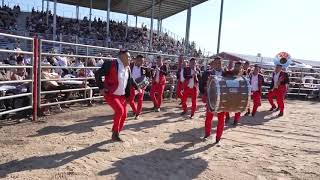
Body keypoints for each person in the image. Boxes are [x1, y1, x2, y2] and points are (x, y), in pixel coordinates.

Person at [95, 49, 140, 142]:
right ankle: (115, 134)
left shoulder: (127, 68)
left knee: (124, 115)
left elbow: (130, 80)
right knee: (119, 111)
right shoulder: (111, 64)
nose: (130, 59)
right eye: (128, 57)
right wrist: (101, 88)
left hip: (122, 95)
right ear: (122, 56)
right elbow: (98, 74)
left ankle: (116, 133)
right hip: (111, 94)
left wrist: (137, 87)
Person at [200, 56, 225, 144]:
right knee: (208, 118)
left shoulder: (226, 74)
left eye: (219, 63)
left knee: (221, 119)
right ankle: (207, 134)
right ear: (213, 64)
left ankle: (218, 138)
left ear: (222, 64)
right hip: (211, 99)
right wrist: (203, 92)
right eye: (216, 63)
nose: (218, 64)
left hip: (223, 100)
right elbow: (202, 83)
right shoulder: (207, 73)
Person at [128, 55, 150, 119]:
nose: (142, 63)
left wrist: (148, 73)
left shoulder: (144, 68)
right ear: (136, 60)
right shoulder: (130, 66)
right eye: (141, 61)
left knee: (140, 100)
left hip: (141, 86)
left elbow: (148, 76)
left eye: (143, 62)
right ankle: (135, 110)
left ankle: (138, 114)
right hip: (132, 85)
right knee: (130, 100)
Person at [224, 61, 243, 126]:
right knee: (226, 105)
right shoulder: (229, 72)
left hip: (239, 93)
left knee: (238, 107)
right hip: (229, 92)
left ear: (241, 67)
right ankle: (227, 116)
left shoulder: (244, 73)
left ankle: (236, 120)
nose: (237, 68)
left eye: (238, 66)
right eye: (236, 66)